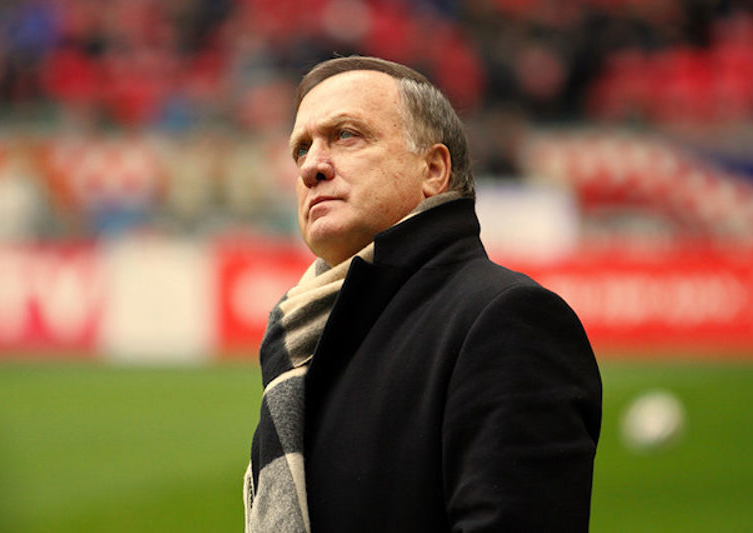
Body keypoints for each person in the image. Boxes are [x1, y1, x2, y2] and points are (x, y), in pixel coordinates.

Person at [244, 56, 601, 533]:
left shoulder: (507, 320)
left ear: (433, 169)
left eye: (346, 135)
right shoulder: (305, 332)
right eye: (301, 149)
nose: (312, 167)